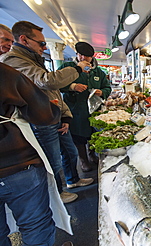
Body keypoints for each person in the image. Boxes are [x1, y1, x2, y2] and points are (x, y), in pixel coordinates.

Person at [0, 21, 93, 204]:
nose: (44, 47)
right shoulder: (13, 60)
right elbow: (48, 82)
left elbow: (52, 93)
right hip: (40, 120)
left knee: (70, 152)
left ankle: (72, 181)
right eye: (41, 43)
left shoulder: (34, 59)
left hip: (55, 116)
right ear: (24, 40)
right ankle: (56, 195)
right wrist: (77, 70)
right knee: (52, 161)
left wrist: (65, 115)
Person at [0, 62, 60, 246]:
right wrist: (53, 108)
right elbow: (44, 114)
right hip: (17, 165)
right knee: (35, 227)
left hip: (16, 167)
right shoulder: (6, 73)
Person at [59, 42, 112, 172]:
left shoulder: (98, 72)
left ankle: (92, 154)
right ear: (77, 54)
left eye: (86, 56)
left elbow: (107, 87)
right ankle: (83, 159)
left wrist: (102, 92)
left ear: (92, 57)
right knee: (79, 135)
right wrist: (72, 87)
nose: (83, 58)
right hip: (76, 109)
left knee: (94, 133)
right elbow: (57, 84)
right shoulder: (68, 67)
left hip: (95, 109)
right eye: (80, 55)